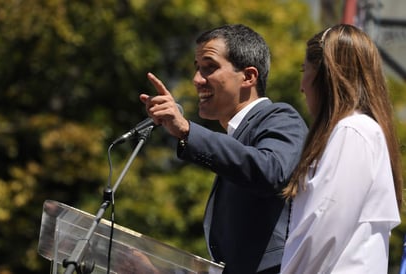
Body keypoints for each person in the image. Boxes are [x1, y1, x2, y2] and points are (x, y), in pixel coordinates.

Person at [139, 24, 308, 273]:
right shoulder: (233, 138)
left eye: (210, 67)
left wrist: (187, 130)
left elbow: (271, 171)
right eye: (197, 69)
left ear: (249, 77)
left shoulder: (281, 117)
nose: (196, 80)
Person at [280, 24, 403, 274]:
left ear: (326, 76)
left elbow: (324, 228)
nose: (302, 86)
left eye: (305, 70)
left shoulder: (352, 131)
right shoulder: (360, 131)